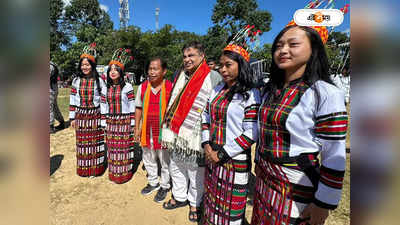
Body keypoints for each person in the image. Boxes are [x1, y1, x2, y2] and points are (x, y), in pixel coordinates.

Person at [251, 25, 348, 225]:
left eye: (293, 44)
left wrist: (323, 202)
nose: (283, 50)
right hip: (264, 179)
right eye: (278, 46)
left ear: (314, 49)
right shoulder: (271, 90)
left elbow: (334, 152)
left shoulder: (325, 92)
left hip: (297, 184)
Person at [201, 43, 261, 224]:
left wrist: (221, 154)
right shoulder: (217, 89)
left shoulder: (251, 93)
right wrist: (206, 146)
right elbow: (205, 116)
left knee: (231, 205)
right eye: (221, 65)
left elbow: (251, 132)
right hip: (212, 154)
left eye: (228, 64)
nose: (223, 69)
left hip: (234, 159)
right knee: (212, 198)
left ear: (241, 65)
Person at [161, 41, 218, 222]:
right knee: (176, 165)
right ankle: (179, 196)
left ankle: (195, 203)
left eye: (191, 55)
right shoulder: (180, 75)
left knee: (195, 170)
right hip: (176, 130)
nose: (187, 59)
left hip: (196, 133)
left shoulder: (213, 77)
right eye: (185, 56)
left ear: (202, 56)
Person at [135, 57, 173, 202]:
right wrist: (137, 128)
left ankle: (164, 185)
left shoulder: (170, 87)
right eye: (150, 68)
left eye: (156, 69)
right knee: (148, 156)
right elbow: (138, 107)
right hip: (147, 129)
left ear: (164, 71)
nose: (152, 72)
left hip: (164, 131)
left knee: (165, 159)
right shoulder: (143, 87)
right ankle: (153, 182)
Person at [70, 43, 107, 177]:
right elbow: (73, 99)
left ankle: (95, 170)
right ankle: (84, 169)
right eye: (83, 65)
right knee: (82, 144)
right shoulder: (76, 80)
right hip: (81, 115)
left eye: (88, 64)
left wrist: (103, 119)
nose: (85, 67)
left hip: (95, 115)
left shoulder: (99, 81)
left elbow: (103, 101)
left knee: (95, 143)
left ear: (93, 65)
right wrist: (72, 117)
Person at [100, 48, 135, 184]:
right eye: (111, 70)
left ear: (121, 72)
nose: (113, 72)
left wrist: (132, 123)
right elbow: (103, 107)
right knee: (113, 148)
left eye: (116, 69)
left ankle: (125, 174)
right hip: (111, 121)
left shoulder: (127, 87)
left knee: (124, 147)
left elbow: (132, 106)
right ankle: (114, 173)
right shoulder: (105, 88)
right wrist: (104, 123)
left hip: (124, 121)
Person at [50, 61, 65, 133]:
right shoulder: (52, 64)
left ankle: (50, 126)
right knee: (54, 107)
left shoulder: (50, 65)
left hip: (50, 89)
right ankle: (61, 122)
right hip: (52, 88)